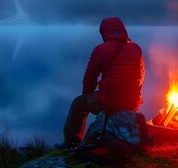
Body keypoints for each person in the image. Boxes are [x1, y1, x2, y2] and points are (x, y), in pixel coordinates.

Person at [62, 17, 145, 148]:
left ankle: (71, 143)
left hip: (107, 101)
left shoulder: (100, 49)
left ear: (104, 32)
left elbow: (89, 79)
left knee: (78, 104)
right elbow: (140, 76)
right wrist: (135, 99)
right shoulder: (136, 48)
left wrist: (87, 97)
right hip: (132, 102)